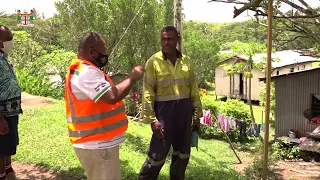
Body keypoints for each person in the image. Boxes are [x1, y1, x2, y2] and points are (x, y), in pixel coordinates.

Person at [65, 32, 144, 180]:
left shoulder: (86, 69)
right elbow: (112, 96)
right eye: (103, 50)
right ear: (92, 51)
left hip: (99, 143)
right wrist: (132, 77)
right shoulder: (85, 73)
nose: (105, 54)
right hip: (97, 146)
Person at [138, 26, 203, 180]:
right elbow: (148, 92)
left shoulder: (186, 61)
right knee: (156, 156)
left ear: (177, 39)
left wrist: (197, 116)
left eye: (170, 39)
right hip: (164, 117)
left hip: (184, 115)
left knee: (182, 155)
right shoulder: (153, 62)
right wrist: (152, 120)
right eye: (163, 39)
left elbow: (193, 89)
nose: (166, 42)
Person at [0, 26, 22, 180]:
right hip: (3, 114)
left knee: (8, 148)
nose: (11, 42)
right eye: (8, 39)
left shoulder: (3, 59)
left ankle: (8, 171)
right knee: (1, 150)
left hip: (11, 111)